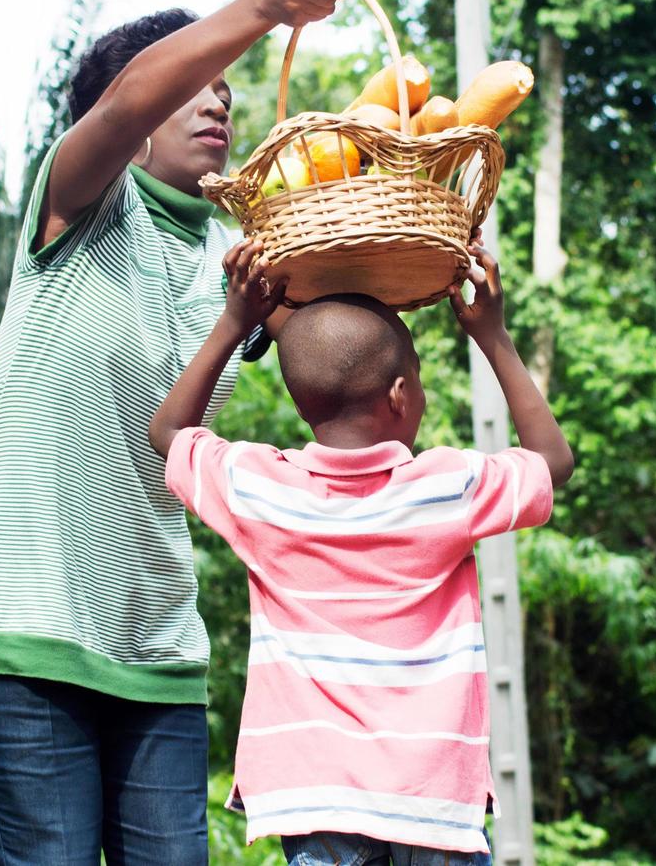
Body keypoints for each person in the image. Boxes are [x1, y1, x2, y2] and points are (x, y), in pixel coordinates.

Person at [0, 0, 350, 865]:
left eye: (228, 94)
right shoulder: (76, 207)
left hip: (156, 645)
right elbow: (120, 106)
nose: (218, 104)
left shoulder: (238, 259)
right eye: (194, 85)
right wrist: (266, 6)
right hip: (24, 632)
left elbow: (337, 369)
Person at [149, 241, 575, 863]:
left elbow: (170, 436)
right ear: (401, 394)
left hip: (314, 796)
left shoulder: (260, 488)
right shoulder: (444, 487)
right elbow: (552, 463)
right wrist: (494, 338)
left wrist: (233, 322)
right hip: (432, 801)